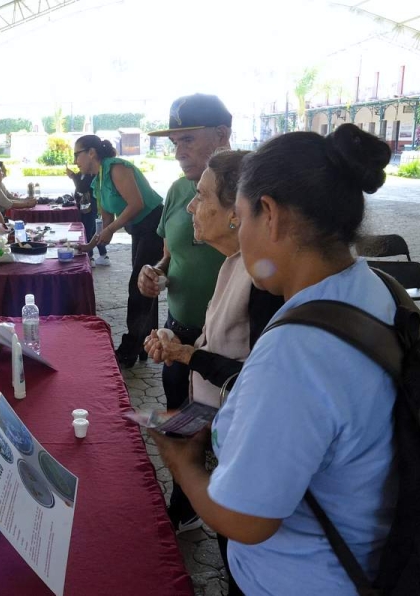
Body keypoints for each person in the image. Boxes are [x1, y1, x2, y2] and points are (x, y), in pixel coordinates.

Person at [149, 124, 397, 595]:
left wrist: (182, 462)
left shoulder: (295, 351)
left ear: (269, 214)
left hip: (300, 580)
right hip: (364, 557)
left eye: (240, 218)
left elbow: (247, 520)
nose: (240, 238)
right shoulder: (371, 286)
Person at [144, 149, 283, 596]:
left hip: (245, 435)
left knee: (238, 544)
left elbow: (255, 375)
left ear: (235, 214)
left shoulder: (264, 281)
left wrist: (189, 355)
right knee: (230, 550)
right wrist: (182, 347)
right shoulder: (231, 265)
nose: (190, 206)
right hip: (221, 424)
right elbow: (216, 341)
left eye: (202, 196)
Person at [138, 93, 232, 532]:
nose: (179, 150)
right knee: (179, 417)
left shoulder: (247, 194)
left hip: (224, 341)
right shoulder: (179, 190)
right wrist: (155, 273)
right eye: (174, 141)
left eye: (188, 139)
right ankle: (186, 505)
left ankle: (226, 510)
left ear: (222, 136)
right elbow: (169, 253)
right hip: (177, 331)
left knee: (223, 431)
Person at [73, 135, 164, 368]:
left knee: (139, 286)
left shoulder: (116, 168)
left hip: (154, 226)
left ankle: (129, 349)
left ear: (91, 152)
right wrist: (89, 246)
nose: (75, 161)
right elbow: (105, 223)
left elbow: (137, 204)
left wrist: (112, 228)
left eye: (77, 154)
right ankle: (145, 344)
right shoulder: (97, 181)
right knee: (145, 287)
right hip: (138, 230)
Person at [65, 166, 109, 265]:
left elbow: (82, 187)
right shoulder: (82, 173)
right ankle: (103, 255)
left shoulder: (91, 173)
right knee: (93, 231)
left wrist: (72, 176)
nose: (77, 162)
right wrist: (74, 175)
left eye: (78, 158)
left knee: (88, 230)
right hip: (85, 205)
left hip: (91, 205)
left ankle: (90, 257)